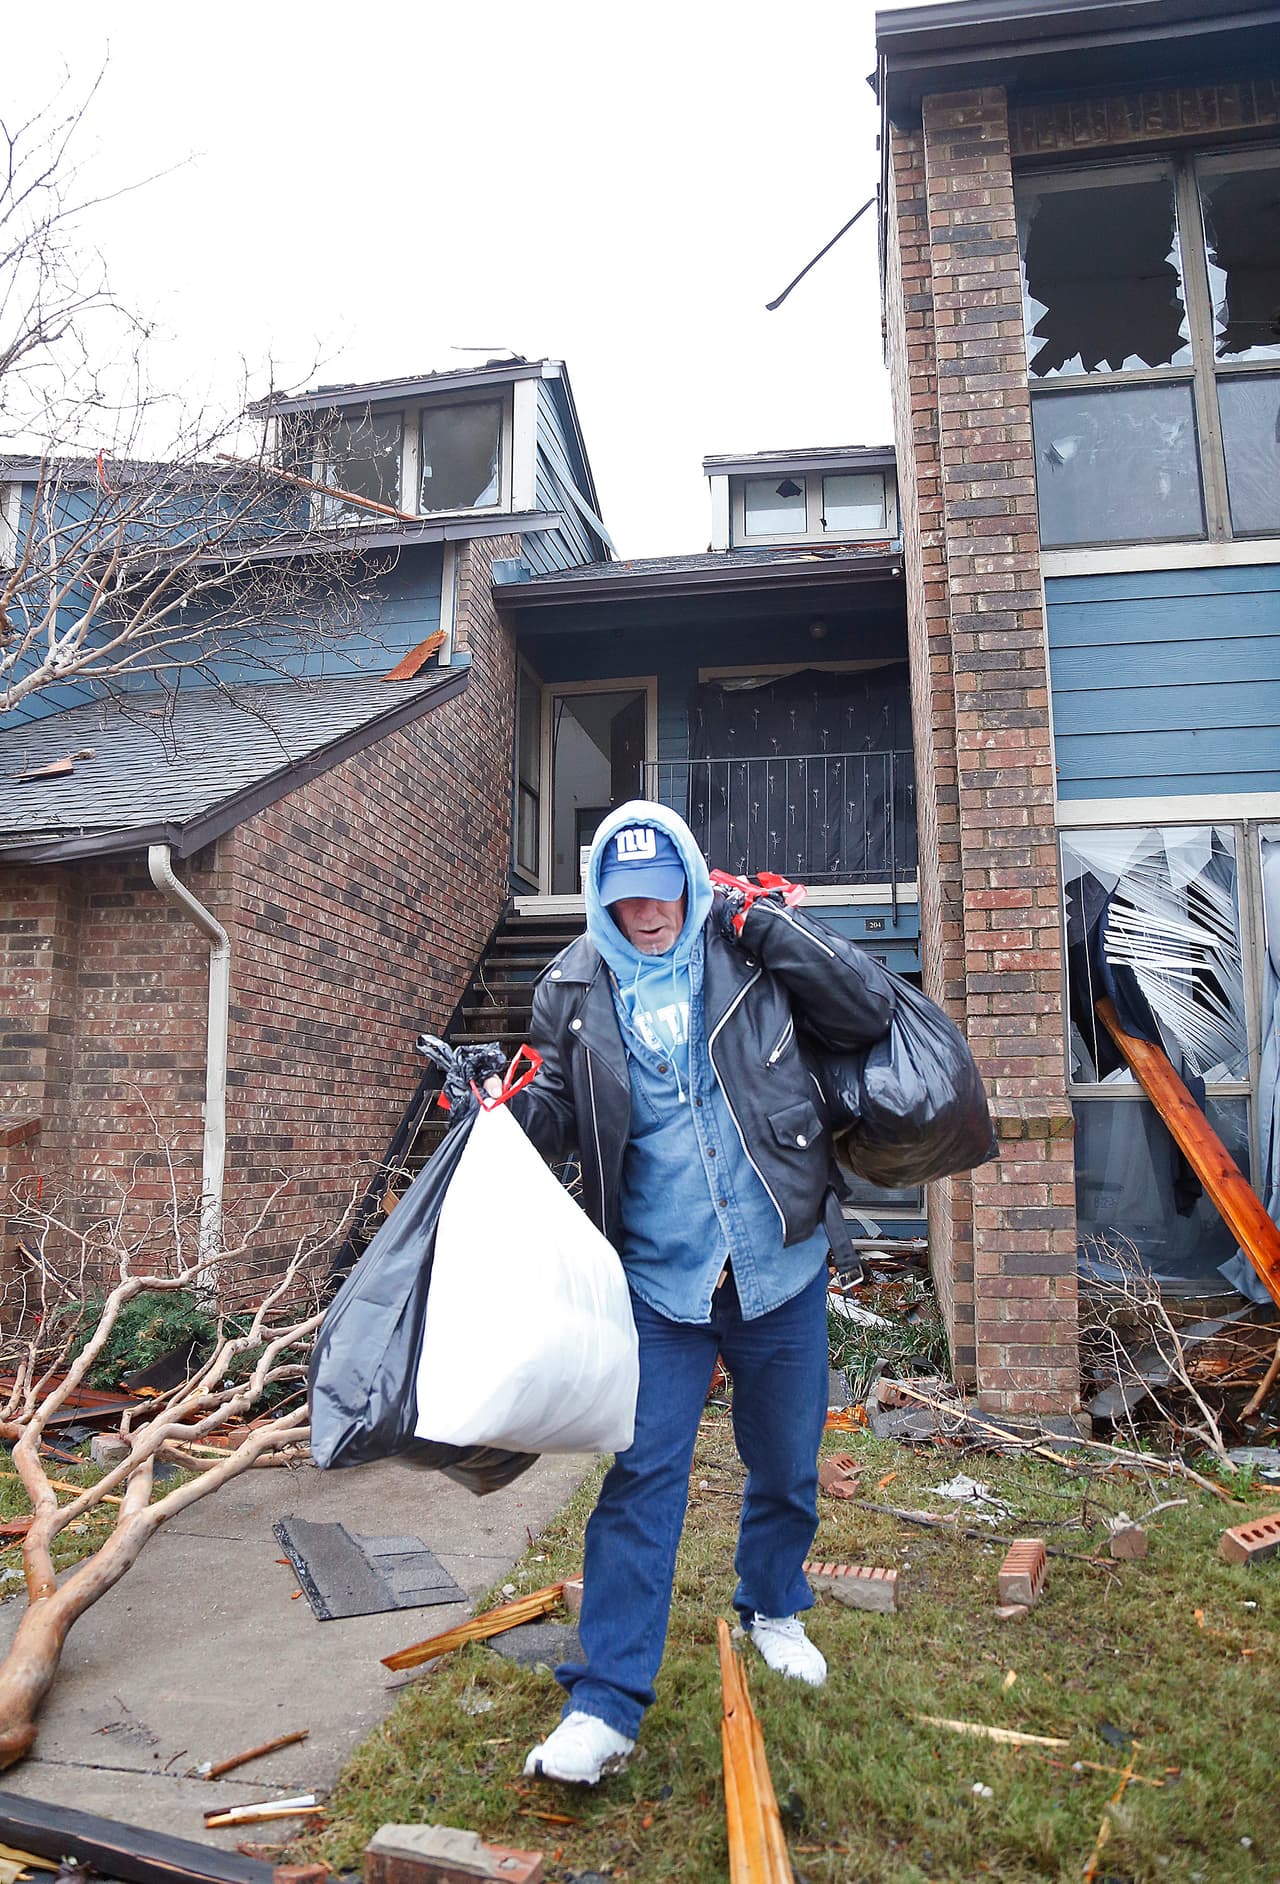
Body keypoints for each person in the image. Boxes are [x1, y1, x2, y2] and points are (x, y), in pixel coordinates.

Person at [506, 800, 894, 1786]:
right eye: (625, 898)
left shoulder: (745, 953)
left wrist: (761, 920)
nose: (646, 915)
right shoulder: (573, 986)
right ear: (600, 898)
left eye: (662, 893)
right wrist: (501, 1103)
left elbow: (864, 1011)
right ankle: (603, 1703)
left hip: (777, 1260)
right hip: (659, 1277)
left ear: (689, 880)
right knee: (640, 1478)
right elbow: (552, 1105)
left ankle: (770, 1604)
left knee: (783, 1458)